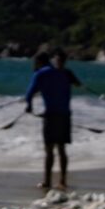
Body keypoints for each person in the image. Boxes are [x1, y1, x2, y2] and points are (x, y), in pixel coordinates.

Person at [25, 51, 76, 191]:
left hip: (51, 115)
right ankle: (63, 181)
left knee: (49, 150)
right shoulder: (65, 72)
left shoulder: (41, 73)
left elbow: (29, 93)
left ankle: (47, 181)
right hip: (65, 115)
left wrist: (29, 107)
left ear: (39, 62)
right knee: (62, 148)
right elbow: (77, 84)